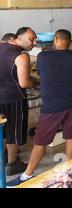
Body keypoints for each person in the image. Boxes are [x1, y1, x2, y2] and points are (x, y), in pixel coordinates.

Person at [7, 30, 72, 186]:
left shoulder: (43, 56)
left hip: (52, 105)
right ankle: (69, 169)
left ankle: (27, 175)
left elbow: (40, 74)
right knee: (70, 136)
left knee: (40, 141)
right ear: (70, 41)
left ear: (55, 39)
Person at [0, 27, 36, 176]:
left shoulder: (2, 46)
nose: (34, 42)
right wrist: (34, 82)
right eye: (31, 39)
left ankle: (3, 157)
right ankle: (12, 163)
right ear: (19, 37)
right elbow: (23, 82)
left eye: (35, 39)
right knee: (13, 131)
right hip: (14, 97)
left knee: (2, 128)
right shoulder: (22, 55)